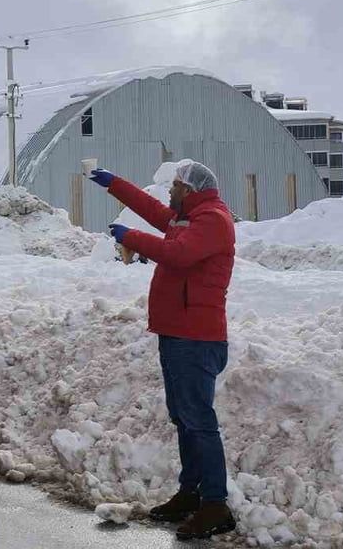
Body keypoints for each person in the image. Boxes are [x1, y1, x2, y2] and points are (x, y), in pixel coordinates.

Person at [88, 160, 236, 541]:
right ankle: (191, 493)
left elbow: (179, 255)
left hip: (196, 339)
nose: (169, 191)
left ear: (189, 189)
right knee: (183, 418)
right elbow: (153, 210)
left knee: (199, 421)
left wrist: (131, 238)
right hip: (176, 333)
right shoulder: (187, 216)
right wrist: (112, 183)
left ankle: (216, 504)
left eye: (175, 186)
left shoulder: (213, 220)